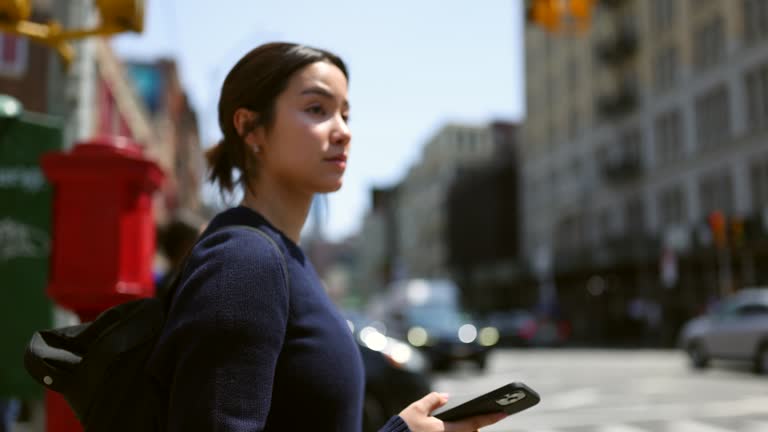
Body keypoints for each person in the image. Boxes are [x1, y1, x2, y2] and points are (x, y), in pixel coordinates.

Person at [146, 42, 509, 432]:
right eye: (317, 109)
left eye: (345, 113)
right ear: (250, 127)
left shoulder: (284, 257)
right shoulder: (244, 259)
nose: (343, 132)